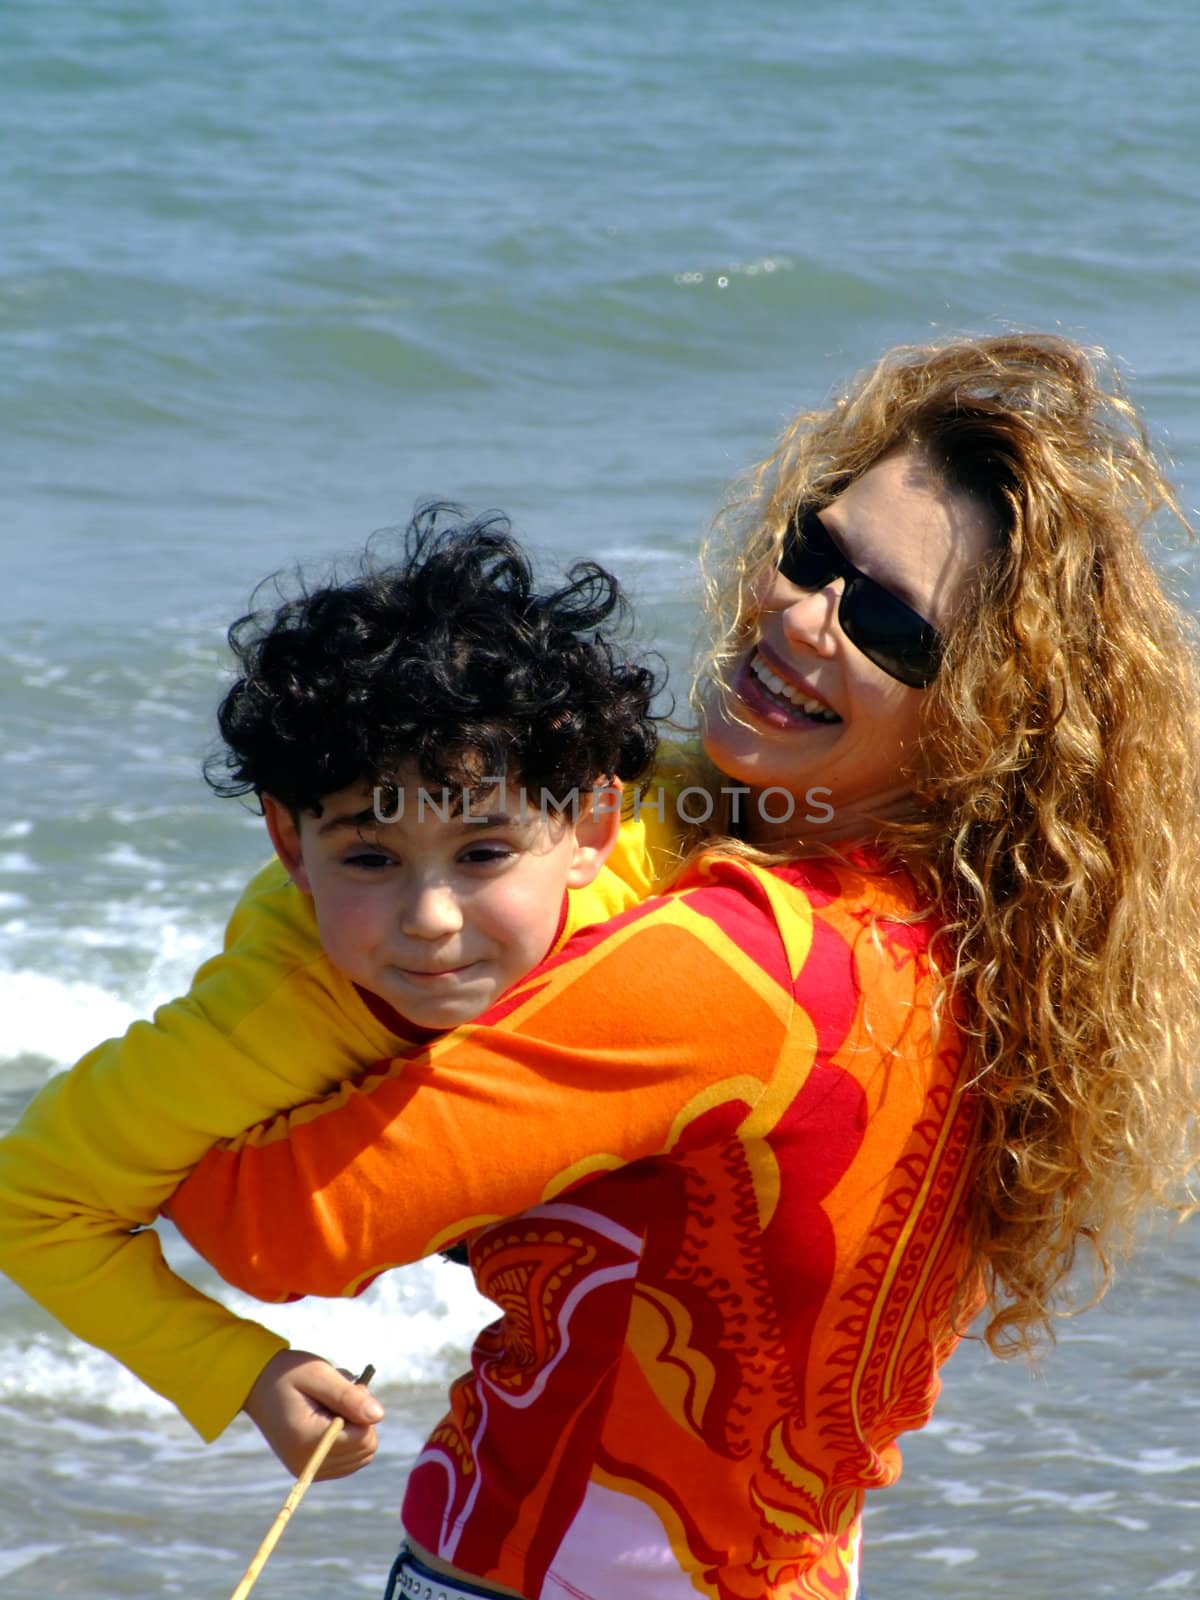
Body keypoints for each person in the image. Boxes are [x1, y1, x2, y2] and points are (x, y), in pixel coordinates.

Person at [171, 332, 1200, 1600]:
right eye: (816, 554)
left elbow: (279, 1227)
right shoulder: (980, 942)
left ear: (988, 708)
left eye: (886, 621)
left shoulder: (732, 965)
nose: (802, 613)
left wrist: (286, 973)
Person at [0, 505, 675, 1480]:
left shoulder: (666, 858)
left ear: (588, 830)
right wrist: (247, 1369)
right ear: (290, 843)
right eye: (369, 855)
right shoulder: (269, 1019)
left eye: (483, 851)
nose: (431, 916)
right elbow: (33, 1200)